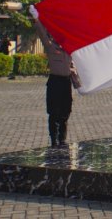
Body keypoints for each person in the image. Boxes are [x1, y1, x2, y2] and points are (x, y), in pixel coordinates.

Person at [34, 18, 77, 148]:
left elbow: (72, 68)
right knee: (54, 112)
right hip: (55, 83)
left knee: (66, 111)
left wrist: (79, 84)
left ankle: (62, 139)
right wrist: (36, 19)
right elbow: (42, 34)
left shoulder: (69, 52)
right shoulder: (51, 48)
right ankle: (54, 139)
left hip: (65, 83)